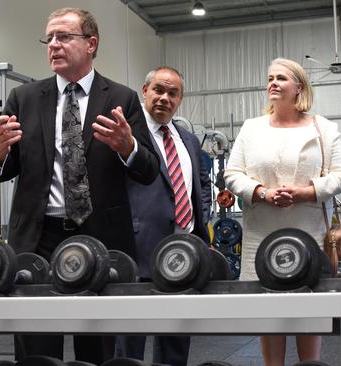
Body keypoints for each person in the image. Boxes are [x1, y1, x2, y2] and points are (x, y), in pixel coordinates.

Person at [0, 8, 160, 365]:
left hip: (100, 238)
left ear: (91, 43)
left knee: (96, 346)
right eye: (49, 38)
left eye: (63, 37)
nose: (53, 45)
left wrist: (128, 147)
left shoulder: (122, 100)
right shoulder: (25, 99)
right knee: (35, 344)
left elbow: (149, 171)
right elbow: (0, 171)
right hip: (37, 238)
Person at [224, 58, 341, 366]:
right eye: (270, 78)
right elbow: (232, 174)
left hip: (310, 232)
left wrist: (307, 193)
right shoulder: (251, 128)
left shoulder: (324, 127)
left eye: (281, 78)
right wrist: (262, 193)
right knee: (269, 318)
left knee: (308, 314)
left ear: (299, 87)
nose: (273, 83)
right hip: (261, 235)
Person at [115, 66, 212, 366]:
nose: (164, 98)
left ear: (180, 99)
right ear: (144, 91)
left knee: (176, 341)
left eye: (173, 93)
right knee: (131, 342)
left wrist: (200, 223)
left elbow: (201, 184)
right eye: (158, 90)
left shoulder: (189, 140)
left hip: (185, 253)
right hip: (139, 251)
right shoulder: (127, 134)